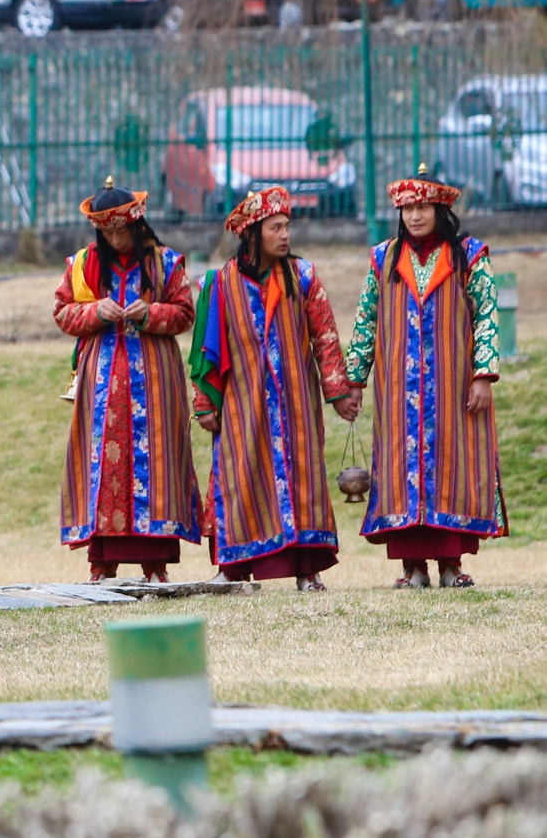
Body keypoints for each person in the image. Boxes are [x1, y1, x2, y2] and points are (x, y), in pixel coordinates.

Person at [190, 187, 359, 589]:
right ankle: (233, 568)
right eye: (275, 227)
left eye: (287, 227)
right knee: (239, 475)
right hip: (241, 404)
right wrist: (204, 402)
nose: (285, 235)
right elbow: (205, 348)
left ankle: (306, 570)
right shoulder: (219, 283)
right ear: (252, 233)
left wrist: (338, 390)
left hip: (295, 402)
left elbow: (325, 335)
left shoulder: (303, 276)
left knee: (300, 476)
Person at [346, 169, 505, 588]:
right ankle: (412, 566)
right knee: (403, 473)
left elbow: (487, 315)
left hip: (455, 388)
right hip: (399, 391)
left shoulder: (468, 255)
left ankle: (451, 564)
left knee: (454, 469)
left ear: (440, 208)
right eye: (407, 208)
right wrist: (354, 380)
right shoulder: (383, 259)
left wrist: (482, 375)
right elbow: (366, 320)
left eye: (423, 207)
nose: (415, 216)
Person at [53, 181, 200, 583]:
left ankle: (156, 563)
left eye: (121, 231)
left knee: (158, 463)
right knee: (102, 467)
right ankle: (103, 562)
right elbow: (63, 313)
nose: (115, 240)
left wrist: (150, 312)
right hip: (100, 381)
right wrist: (96, 311)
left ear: (137, 226)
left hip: (155, 381)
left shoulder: (167, 264)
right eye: (107, 233)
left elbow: (185, 314)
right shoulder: (83, 266)